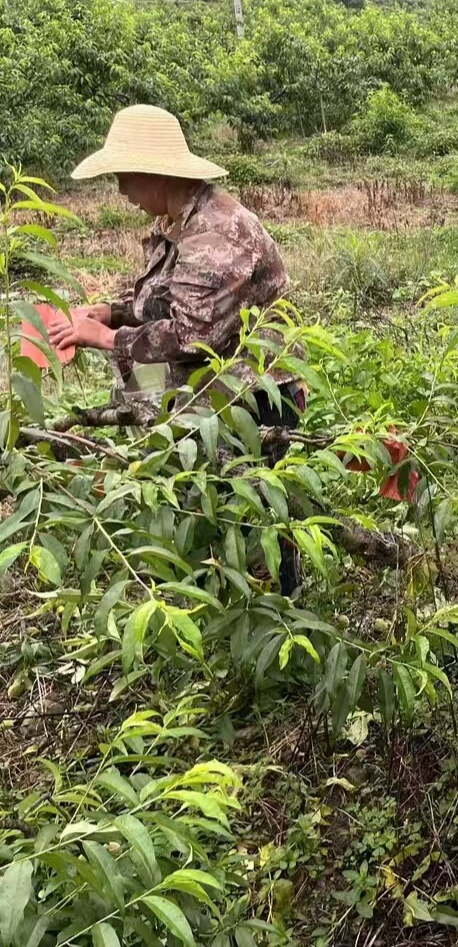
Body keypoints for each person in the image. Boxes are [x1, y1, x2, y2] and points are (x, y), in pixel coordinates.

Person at [52, 104, 304, 592]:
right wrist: (113, 311)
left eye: (124, 176)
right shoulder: (174, 222)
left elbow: (192, 334)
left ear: (154, 173)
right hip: (209, 395)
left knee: (259, 520)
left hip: (252, 399)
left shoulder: (215, 234)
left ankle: (282, 621)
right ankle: (211, 605)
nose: (121, 190)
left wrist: (107, 339)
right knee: (204, 509)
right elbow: (162, 298)